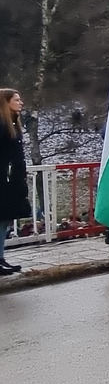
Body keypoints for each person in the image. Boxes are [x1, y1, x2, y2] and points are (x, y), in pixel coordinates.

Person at [0, 88, 29, 275]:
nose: (21, 103)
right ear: (6, 102)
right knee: (1, 220)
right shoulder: (2, 126)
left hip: (11, 180)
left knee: (4, 221)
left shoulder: (12, 123)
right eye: (17, 100)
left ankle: (1, 257)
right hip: (4, 181)